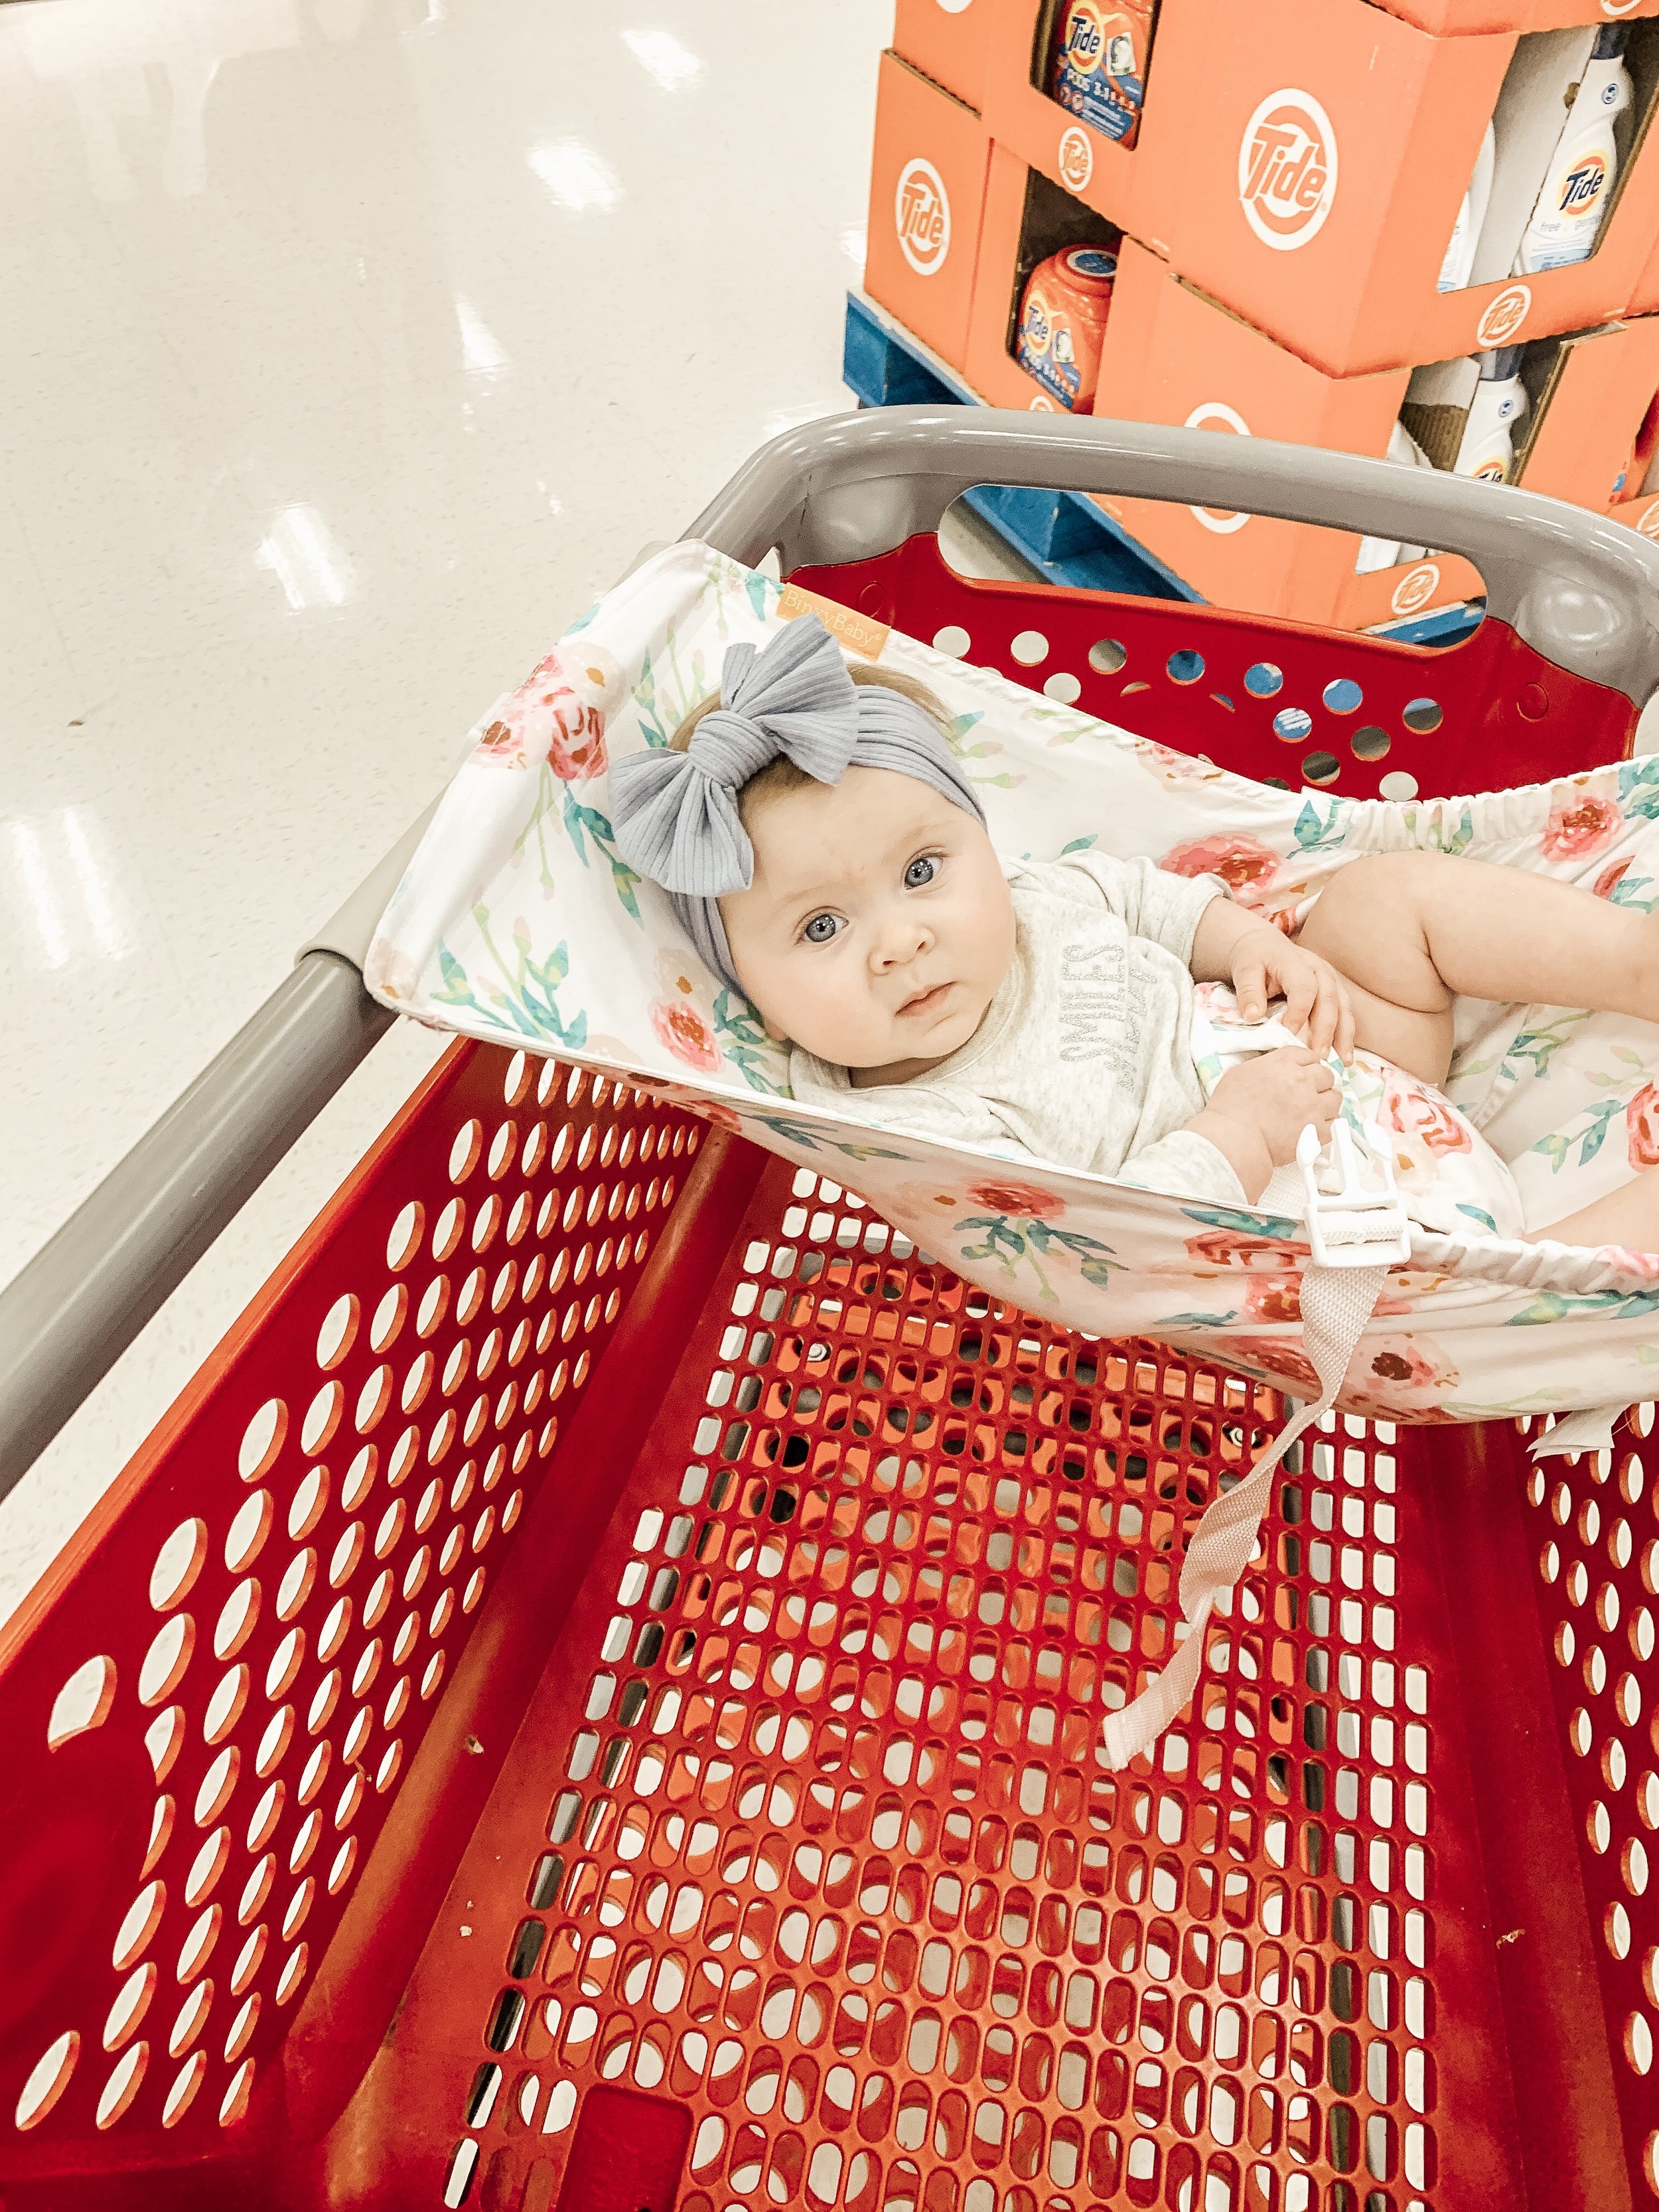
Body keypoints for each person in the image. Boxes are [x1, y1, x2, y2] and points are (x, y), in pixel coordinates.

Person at [609, 615, 1659, 1250]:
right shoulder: (926, 1127)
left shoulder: (1030, 900)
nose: (901, 941)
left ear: (980, 843)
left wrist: (1253, 943)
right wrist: (1243, 1135)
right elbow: (1118, 1238)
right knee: (1466, 1289)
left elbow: (1148, 900)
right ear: (742, 982)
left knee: (1381, 898)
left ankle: (1630, 960)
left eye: (925, 871)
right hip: (1338, 1207)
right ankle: (1557, 1267)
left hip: (1361, 1046)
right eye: (823, 926)